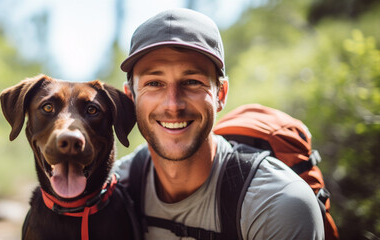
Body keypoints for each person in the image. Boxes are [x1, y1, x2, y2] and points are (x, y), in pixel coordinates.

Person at [113, 8, 324, 240]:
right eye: (154, 83)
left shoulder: (276, 204)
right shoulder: (117, 188)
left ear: (220, 94)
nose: (173, 105)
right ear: (131, 98)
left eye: (192, 82)